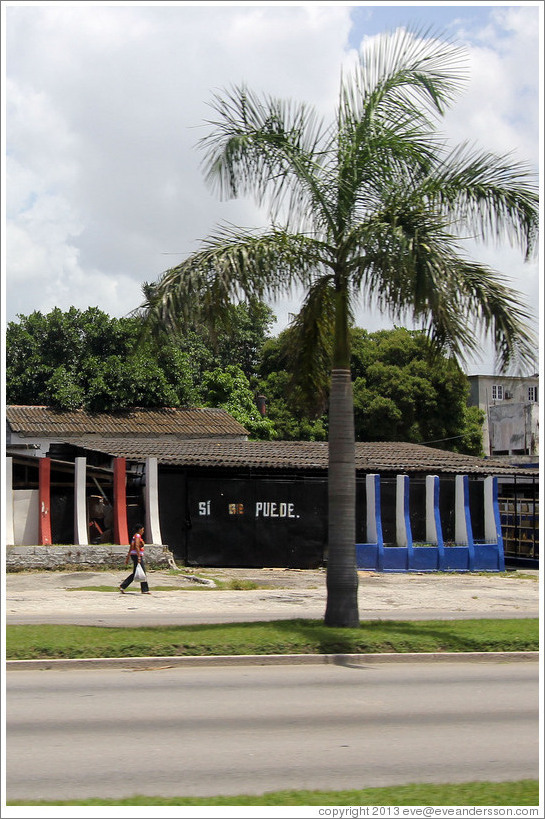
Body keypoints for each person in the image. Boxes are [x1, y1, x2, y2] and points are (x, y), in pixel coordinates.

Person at [119, 525, 151, 594]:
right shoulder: (137, 536)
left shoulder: (134, 536)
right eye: (142, 530)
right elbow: (136, 546)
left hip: (134, 555)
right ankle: (144, 589)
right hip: (136, 556)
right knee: (142, 572)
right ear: (139, 530)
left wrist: (128, 557)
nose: (143, 531)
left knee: (136, 573)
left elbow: (131, 546)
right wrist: (139, 557)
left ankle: (123, 586)